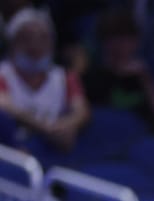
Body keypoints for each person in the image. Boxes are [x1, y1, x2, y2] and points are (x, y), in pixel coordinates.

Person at [0, 8, 88, 153]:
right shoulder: (2, 73)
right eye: (26, 38)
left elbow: (82, 111)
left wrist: (66, 126)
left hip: (54, 150)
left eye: (43, 38)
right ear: (12, 42)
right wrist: (46, 128)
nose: (35, 45)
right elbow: (4, 107)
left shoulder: (66, 77)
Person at [80, 7, 154, 136]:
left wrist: (146, 80)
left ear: (136, 42)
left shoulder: (145, 77)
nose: (120, 46)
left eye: (126, 39)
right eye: (113, 38)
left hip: (143, 147)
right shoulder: (90, 79)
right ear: (103, 42)